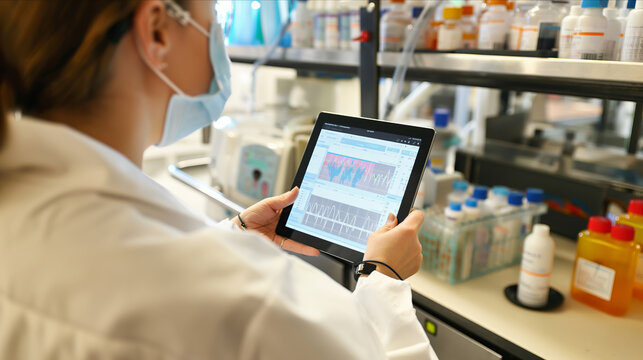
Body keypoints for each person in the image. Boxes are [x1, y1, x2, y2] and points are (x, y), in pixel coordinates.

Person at [0, 1, 438, 359]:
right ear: (157, 32)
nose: (219, 36)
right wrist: (382, 278)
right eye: (212, 14)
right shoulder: (250, 306)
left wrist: (235, 235)